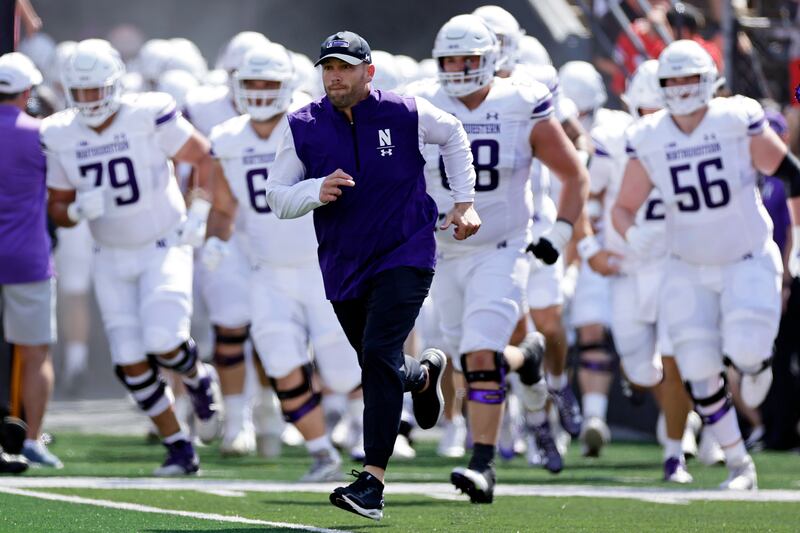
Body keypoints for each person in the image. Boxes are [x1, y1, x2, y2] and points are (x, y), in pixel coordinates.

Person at [266, 30, 479, 520]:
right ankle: (422, 376)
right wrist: (314, 190)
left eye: (345, 67)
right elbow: (277, 196)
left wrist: (464, 202)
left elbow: (453, 134)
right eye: (328, 67)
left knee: (377, 357)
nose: (335, 76)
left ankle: (372, 482)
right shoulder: (302, 124)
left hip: (406, 251)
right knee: (379, 360)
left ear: (369, 71)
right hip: (343, 262)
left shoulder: (405, 111)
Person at [406, 14, 595, 497]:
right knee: (466, 357)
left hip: (501, 246)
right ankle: (527, 357)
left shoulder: (520, 101)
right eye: (451, 60)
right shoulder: (419, 100)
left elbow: (574, 174)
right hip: (442, 250)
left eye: (469, 59)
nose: (459, 68)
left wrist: (561, 232)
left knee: (478, 353)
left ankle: (483, 466)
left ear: (490, 58)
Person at [612, 39, 800, 490]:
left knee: (748, 352)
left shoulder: (734, 119)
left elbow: (790, 174)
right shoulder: (649, 135)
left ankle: (757, 366)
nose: (681, 88)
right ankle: (738, 464)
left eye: (689, 78)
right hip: (687, 266)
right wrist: (633, 236)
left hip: (745, 258)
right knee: (697, 367)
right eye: (672, 80)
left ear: (709, 81)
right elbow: (623, 208)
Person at [43, 39, 220, 476]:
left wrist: (199, 211)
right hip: (109, 255)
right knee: (129, 361)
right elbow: (57, 206)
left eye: (96, 90)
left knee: (164, 339)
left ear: (116, 84)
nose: (88, 100)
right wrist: (74, 211)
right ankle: (178, 447)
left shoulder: (146, 114)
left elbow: (205, 158)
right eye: (80, 91)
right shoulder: (60, 132)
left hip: (162, 244)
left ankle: (198, 378)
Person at [205, 42, 362, 480]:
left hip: (321, 264)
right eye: (251, 84)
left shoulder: (315, 124)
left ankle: (378, 425)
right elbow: (223, 206)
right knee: (278, 361)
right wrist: (215, 240)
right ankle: (321, 453)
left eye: (268, 83)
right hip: (268, 271)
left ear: (288, 85)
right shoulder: (228, 137)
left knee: (343, 369)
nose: (258, 92)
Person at [588, 60, 694, 482]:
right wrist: (590, 249)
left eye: (659, 111)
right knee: (639, 368)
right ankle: (689, 413)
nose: (653, 120)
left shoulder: (692, 139)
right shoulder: (614, 140)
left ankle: (677, 447)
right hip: (627, 266)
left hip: (675, 265)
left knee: (679, 356)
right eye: (646, 110)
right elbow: (587, 196)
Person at [0, 52, 60, 468]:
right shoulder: (41, 134)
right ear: (26, 92)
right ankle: (33, 440)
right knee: (36, 353)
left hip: (26, 256)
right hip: (28, 257)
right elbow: (63, 191)